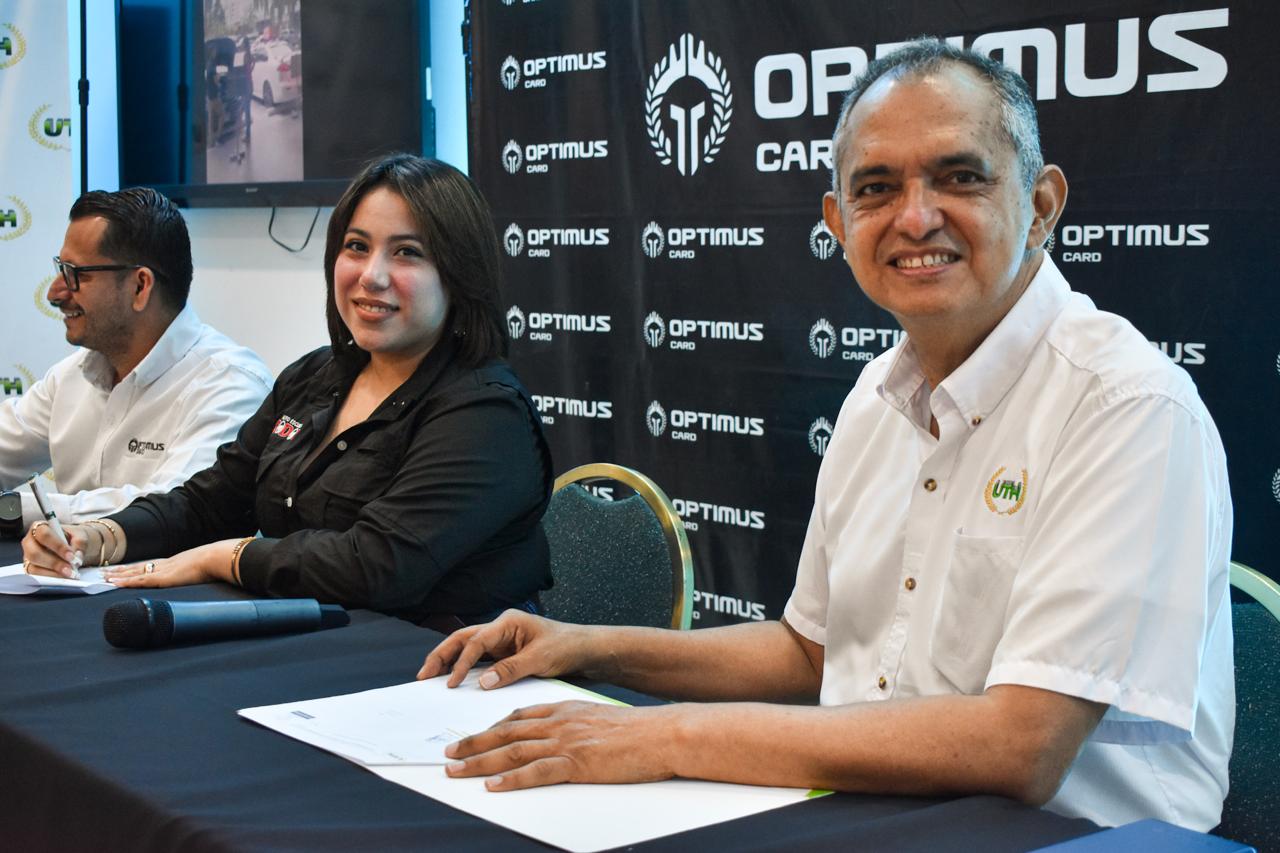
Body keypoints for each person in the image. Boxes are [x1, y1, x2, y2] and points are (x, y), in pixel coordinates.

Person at [417, 41, 1233, 831]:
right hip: (877, 814)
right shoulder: (875, 396)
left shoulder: (1127, 406)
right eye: (877, 188)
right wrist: (585, 647)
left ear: (1042, 205)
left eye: (960, 177)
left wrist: (662, 736)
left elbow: (1022, 745)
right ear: (839, 223)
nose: (916, 217)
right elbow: (808, 653)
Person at [22, 154, 554, 628]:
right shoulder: (315, 376)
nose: (372, 276)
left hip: (441, 668)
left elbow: (376, 566)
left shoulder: (485, 412)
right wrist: (100, 537)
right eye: (356, 247)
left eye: (407, 253)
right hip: (317, 642)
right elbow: (211, 502)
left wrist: (227, 557)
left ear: (458, 275)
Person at [0, 188, 271, 531]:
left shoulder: (231, 386)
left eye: (75, 274)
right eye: (60, 269)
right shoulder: (71, 376)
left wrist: (13, 509)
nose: (54, 292)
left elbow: (173, 509)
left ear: (140, 286)